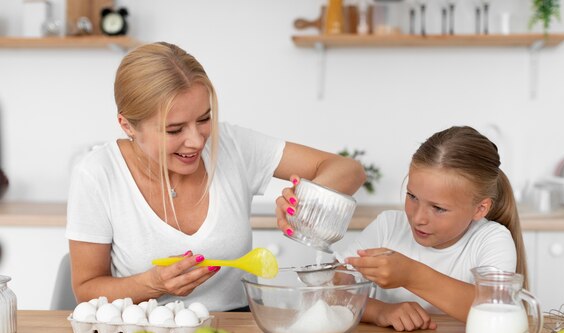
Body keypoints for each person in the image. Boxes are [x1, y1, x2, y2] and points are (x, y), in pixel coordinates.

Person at [66, 42, 365, 312]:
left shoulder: (232, 146)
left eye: (204, 119)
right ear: (127, 126)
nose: (197, 141)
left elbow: (348, 169)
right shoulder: (97, 174)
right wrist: (152, 285)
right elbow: (86, 290)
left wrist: (307, 201)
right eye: (174, 130)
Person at [343, 126, 526, 331]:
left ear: (480, 209)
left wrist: (411, 275)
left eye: (438, 208)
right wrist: (380, 311)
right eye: (412, 196)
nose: (418, 218)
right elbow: (333, 289)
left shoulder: (492, 240)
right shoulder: (388, 226)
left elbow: (495, 308)